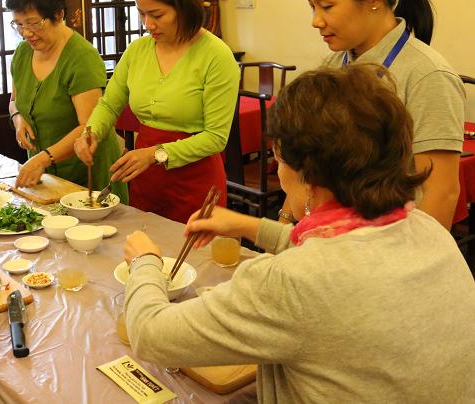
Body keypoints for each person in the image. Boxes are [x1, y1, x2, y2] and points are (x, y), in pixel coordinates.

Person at [122, 65, 475, 403]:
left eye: (278, 159)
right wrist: (247, 225)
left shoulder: (292, 281)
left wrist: (145, 263)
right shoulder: (428, 229)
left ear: (308, 175)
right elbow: (339, 256)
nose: (277, 169)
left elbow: (151, 335)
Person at [305, 0, 465, 229]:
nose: (316, 20)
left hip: (394, 243)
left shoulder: (427, 76)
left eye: (326, 6)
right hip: (334, 237)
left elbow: (440, 193)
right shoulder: (333, 65)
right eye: (312, 6)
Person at [74, 0, 239, 223]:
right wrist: (91, 132)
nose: (148, 24)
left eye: (157, 14)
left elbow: (215, 137)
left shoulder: (216, 55)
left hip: (195, 181)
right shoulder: (137, 51)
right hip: (146, 177)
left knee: (191, 249)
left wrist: (155, 154)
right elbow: (109, 104)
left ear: (183, 6)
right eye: (141, 13)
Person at [6, 0, 127, 201]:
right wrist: (18, 118)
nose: (26, 33)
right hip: (45, 175)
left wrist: (42, 159)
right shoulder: (22, 53)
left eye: (33, 23)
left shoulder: (81, 57)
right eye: (18, 24)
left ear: (59, 14)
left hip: (87, 174)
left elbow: (88, 127)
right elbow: (14, 101)